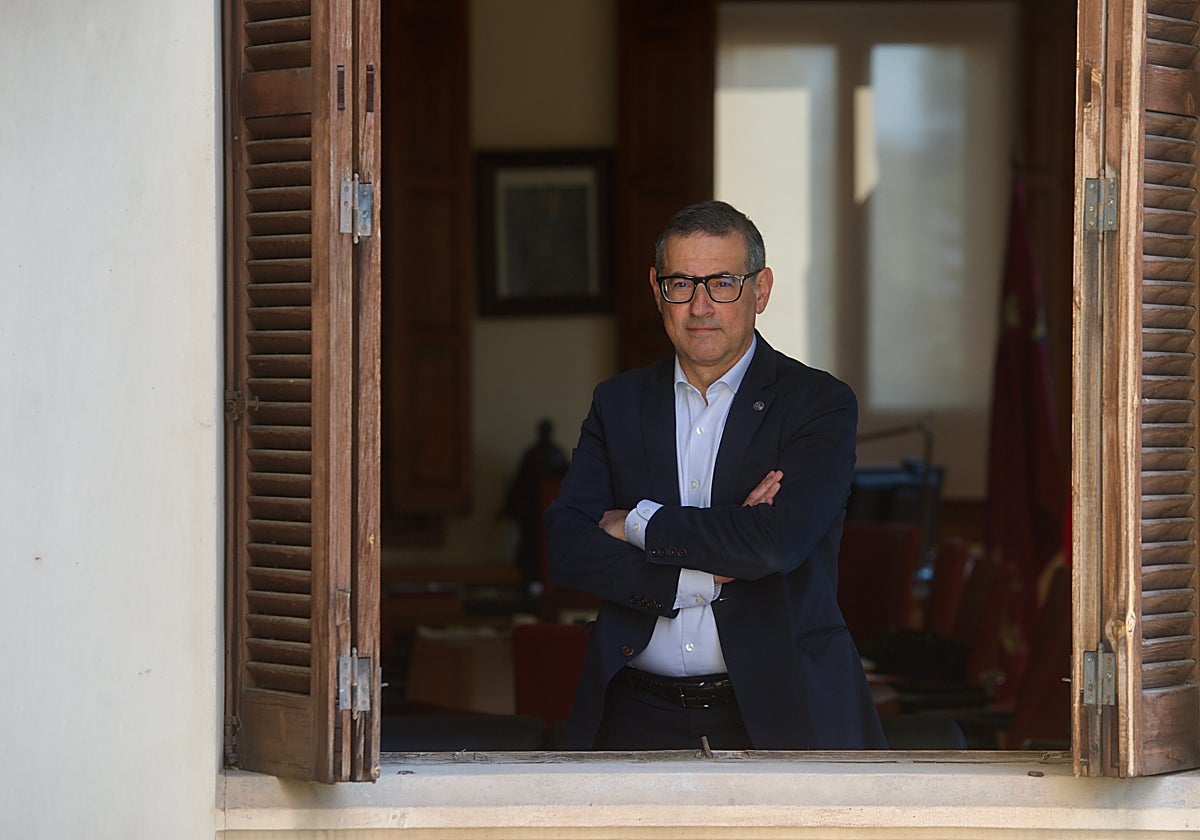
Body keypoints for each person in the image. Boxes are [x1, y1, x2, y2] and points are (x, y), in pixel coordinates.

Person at [544, 200, 887, 751]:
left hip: (780, 711)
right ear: (657, 289)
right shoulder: (619, 403)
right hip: (633, 711)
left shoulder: (817, 404)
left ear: (762, 289)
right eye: (682, 283)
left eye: (723, 282)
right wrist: (704, 571)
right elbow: (566, 546)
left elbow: (776, 545)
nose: (700, 305)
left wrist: (638, 525)